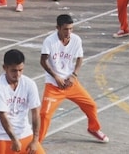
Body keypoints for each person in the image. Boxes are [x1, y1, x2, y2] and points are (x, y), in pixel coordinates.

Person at [39, 14, 108, 144]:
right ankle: (37, 143)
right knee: (44, 114)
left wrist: (74, 75)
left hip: (71, 83)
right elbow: (43, 61)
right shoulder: (49, 41)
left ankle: (93, 129)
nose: (69, 32)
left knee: (91, 105)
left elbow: (80, 58)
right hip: (54, 85)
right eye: (65, 29)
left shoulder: (76, 40)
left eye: (71, 28)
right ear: (58, 28)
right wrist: (56, 77)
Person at [0, 49, 43, 154]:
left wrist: (35, 140)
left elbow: (35, 113)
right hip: (3, 136)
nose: (18, 74)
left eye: (20, 70)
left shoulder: (29, 84)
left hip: (25, 133)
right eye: (14, 71)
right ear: (5, 68)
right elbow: (2, 116)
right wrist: (14, 139)